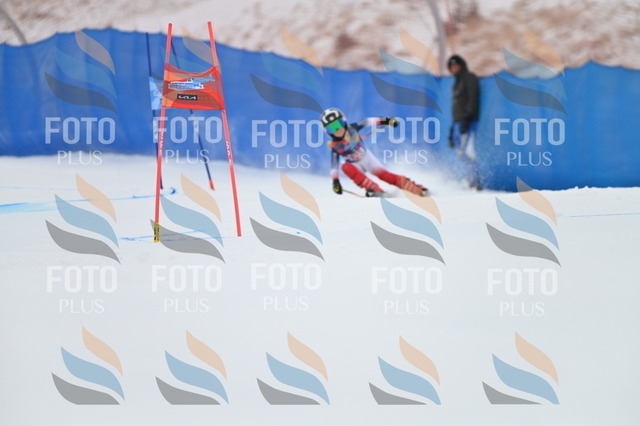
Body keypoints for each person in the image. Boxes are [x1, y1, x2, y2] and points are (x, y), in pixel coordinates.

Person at [321, 108, 428, 197]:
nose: (337, 130)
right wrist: (335, 181)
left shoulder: (352, 128)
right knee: (345, 167)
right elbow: (334, 166)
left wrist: (387, 121)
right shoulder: (334, 146)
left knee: (384, 175)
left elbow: (368, 121)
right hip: (354, 165)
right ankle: (373, 189)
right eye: (332, 128)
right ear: (327, 132)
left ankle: (415, 188)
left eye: (338, 124)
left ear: (344, 122)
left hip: (366, 158)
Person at [447, 54, 481, 189]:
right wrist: (452, 128)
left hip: (468, 122)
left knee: (467, 151)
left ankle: (475, 179)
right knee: (460, 151)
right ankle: (470, 177)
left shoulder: (469, 78)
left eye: (456, 65)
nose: (454, 68)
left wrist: (466, 119)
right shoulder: (456, 82)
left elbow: (473, 99)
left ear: (462, 65)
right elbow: (456, 106)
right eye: (452, 66)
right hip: (458, 122)